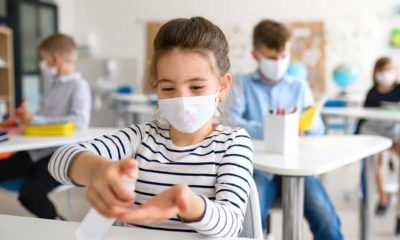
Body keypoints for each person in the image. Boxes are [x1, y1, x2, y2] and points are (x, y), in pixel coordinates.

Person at [48, 17, 253, 237]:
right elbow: (59, 159)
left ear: (222, 86)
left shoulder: (233, 144)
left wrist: (187, 203)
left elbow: (231, 224)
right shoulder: (142, 137)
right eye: (168, 88)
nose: (182, 99)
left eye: (196, 87)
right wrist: (97, 170)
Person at [225, 19, 343, 239]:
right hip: (259, 168)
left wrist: (309, 121)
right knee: (248, 222)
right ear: (255, 55)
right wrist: (278, 129)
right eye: (271, 58)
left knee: (326, 217)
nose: (278, 62)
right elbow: (231, 124)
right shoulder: (241, 84)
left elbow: (316, 131)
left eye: (283, 57)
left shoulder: (298, 86)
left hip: (297, 167)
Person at [0, 33, 91, 220]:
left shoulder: (79, 86)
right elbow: (42, 118)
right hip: (36, 150)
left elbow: (78, 122)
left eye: (43, 59)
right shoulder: (53, 86)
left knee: (30, 194)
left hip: (60, 153)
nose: (42, 64)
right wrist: (21, 120)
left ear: (55, 58)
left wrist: (35, 119)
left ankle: (58, 224)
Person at [357, 57, 400, 234]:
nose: (386, 74)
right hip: (373, 131)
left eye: (390, 69)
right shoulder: (372, 93)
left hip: (394, 130)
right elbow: (363, 117)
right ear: (376, 73)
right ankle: (382, 197)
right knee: (371, 165)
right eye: (383, 70)